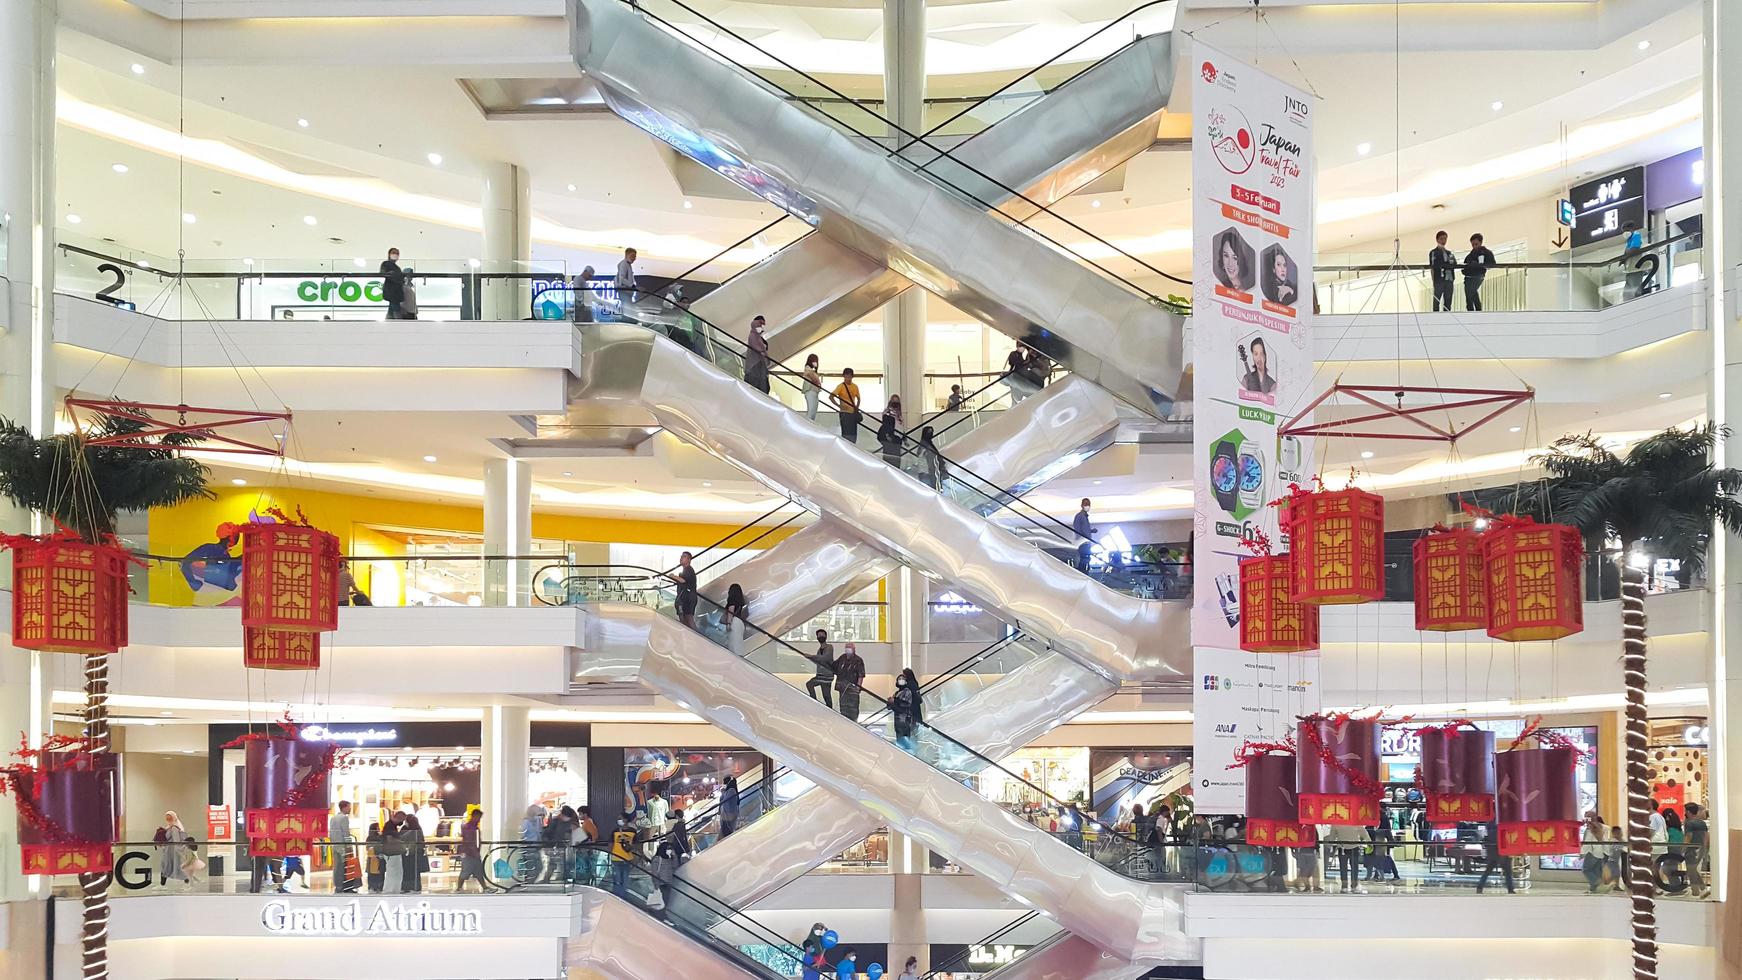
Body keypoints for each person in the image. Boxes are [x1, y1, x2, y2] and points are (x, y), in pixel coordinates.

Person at [153, 811, 195, 888]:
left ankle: (187, 881)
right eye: (167, 818)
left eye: (170, 818)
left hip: (173, 852)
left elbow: (176, 841)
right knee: (166, 867)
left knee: (170, 866)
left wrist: (179, 851)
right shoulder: (168, 827)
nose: (168, 820)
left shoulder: (174, 828)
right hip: (168, 851)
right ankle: (163, 884)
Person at [1322, 822, 1366, 892]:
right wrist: (1369, 842)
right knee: (1354, 867)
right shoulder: (1356, 822)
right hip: (1353, 847)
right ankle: (1353, 885)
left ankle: (1344, 886)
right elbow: (1364, 833)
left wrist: (1330, 845)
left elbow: (1332, 836)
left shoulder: (1336, 823)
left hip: (1342, 847)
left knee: (1343, 868)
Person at [1475, 817, 1514, 893]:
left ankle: (1480, 887)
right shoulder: (1502, 822)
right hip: (1501, 851)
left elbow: (1486, 837)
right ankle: (1510, 889)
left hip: (1491, 851)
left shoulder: (1489, 823)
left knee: (1488, 871)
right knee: (1508, 871)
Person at [891, 667, 924, 754]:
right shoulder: (912, 685)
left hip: (907, 717)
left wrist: (895, 701)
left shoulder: (908, 688)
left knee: (906, 737)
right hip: (906, 716)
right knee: (907, 737)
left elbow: (906, 702)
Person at [1462, 233, 1497, 311]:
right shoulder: (1470, 255)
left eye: (1476, 244)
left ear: (1481, 243)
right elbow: (1464, 267)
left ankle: (1474, 309)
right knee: (1471, 292)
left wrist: (1480, 265)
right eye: (1473, 244)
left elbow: (1492, 264)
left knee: (1470, 293)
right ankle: (1476, 309)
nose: (1474, 246)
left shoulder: (1486, 253)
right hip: (1468, 277)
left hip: (1478, 275)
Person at [833, 641, 867, 722]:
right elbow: (834, 666)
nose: (848, 649)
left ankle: (854, 722)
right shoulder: (842, 658)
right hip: (842, 688)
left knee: (852, 709)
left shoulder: (858, 660)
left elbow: (861, 675)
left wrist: (857, 687)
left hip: (852, 689)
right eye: (847, 647)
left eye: (850, 647)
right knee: (843, 708)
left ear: (854, 649)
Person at [457, 808, 487, 892]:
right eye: (478, 817)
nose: (479, 819)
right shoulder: (469, 827)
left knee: (478, 871)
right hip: (468, 853)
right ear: (474, 816)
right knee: (466, 870)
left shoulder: (473, 827)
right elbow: (469, 841)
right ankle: (458, 888)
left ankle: (485, 887)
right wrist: (474, 852)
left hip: (473, 852)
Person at [1428, 230, 1459, 312]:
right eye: (1441, 238)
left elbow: (1454, 264)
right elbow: (1433, 266)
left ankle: (1447, 316)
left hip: (1449, 279)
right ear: (1437, 240)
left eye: (1445, 238)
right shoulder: (1434, 252)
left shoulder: (1449, 253)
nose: (1443, 241)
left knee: (1448, 300)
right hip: (1439, 279)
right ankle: (1435, 316)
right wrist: (1433, 280)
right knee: (1437, 300)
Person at [330, 800, 356, 892]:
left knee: (337, 867)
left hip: (335, 845)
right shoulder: (344, 818)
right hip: (343, 845)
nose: (350, 809)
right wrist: (349, 846)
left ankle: (338, 885)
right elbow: (346, 833)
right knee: (345, 866)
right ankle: (346, 886)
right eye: (349, 807)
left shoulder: (333, 818)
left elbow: (332, 833)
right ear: (344, 807)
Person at [1684, 802, 1710, 897]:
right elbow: (1706, 836)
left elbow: (1688, 837)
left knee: (1690, 869)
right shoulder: (1701, 823)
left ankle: (1695, 890)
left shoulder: (1689, 823)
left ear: (1688, 811)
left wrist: (1683, 847)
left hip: (1691, 848)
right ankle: (1702, 886)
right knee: (1693, 868)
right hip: (1700, 848)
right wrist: (1705, 846)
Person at [832, 368, 864, 443]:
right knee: (846, 434)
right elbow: (831, 396)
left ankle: (852, 447)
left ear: (852, 376)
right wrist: (839, 406)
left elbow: (858, 398)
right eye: (846, 376)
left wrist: (857, 407)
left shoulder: (855, 386)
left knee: (853, 434)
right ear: (844, 376)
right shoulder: (841, 386)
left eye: (849, 376)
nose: (848, 378)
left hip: (853, 413)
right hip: (844, 413)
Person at [806, 629, 836, 707]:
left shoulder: (829, 647)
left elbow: (825, 658)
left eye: (822, 635)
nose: (820, 637)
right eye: (819, 636)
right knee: (826, 695)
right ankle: (829, 710)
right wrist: (810, 658)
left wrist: (811, 656)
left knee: (810, 684)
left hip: (827, 675)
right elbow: (819, 661)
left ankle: (815, 703)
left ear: (825, 636)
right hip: (821, 675)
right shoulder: (819, 650)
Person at [1581, 813, 1609, 893]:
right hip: (1601, 852)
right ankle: (1594, 889)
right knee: (1596, 871)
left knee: (1586, 870)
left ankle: (1597, 883)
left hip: (1592, 852)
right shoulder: (1602, 827)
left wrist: (1582, 852)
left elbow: (1587, 841)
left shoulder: (1590, 828)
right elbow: (1605, 839)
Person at [610, 816, 637, 898]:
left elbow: (636, 845)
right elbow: (610, 843)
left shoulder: (633, 831)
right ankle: (617, 897)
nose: (619, 820)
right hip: (616, 858)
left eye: (621, 818)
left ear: (626, 820)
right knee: (617, 879)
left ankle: (623, 897)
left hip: (627, 858)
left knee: (625, 879)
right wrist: (611, 853)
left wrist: (636, 856)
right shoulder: (615, 831)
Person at [519, 803, 546, 884]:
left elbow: (539, 832)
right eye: (538, 814)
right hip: (528, 848)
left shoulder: (537, 821)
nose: (540, 816)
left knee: (539, 867)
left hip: (536, 847)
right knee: (531, 868)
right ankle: (528, 884)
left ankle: (530, 883)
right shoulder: (526, 822)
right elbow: (522, 835)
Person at [671, 551, 699, 628]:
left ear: (689, 560)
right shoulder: (684, 571)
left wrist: (673, 576)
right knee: (683, 617)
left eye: (684, 557)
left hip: (689, 597)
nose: (681, 558)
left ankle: (695, 636)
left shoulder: (689, 570)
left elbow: (683, 580)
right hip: (684, 597)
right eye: (681, 556)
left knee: (688, 617)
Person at [744, 315, 772, 393]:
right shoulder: (753, 336)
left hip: (759, 363)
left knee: (762, 384)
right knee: (759, 384)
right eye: (760, 324)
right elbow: (757, 348)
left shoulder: (758, 337)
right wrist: (764, 353)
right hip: (755, 364)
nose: (762, 327)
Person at [400, 811, 425, 893]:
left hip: (410, 854)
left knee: (409, 871)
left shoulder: (410, 829)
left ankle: (410, 887)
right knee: (412, 871)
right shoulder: (418, 829)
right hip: (412, 853)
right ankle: (412, 887)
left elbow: (401, 838)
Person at [876, 395, 904, 468]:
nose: (895, 403)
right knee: (889, 459)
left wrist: (904, 438)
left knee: (896, 459)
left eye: (897, 401)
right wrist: (888, 436)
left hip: (897, 438)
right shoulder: (887, 412)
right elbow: (886, 425)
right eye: (894, 401)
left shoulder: (899, 413)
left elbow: (900, 426)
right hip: (890, 438)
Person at [379, 821, 405, 894]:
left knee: (394, 872)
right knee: (393, 872)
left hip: (392, 854)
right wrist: (400, 841)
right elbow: (389, 839)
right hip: (392, 853)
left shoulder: (390, 828)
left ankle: (393, 889)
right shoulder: (390, 831)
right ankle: (391, 889)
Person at [724, 582, 750, 656]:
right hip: (740, 623)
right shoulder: (741, 602)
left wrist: (728, 623)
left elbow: (730, 611)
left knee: (733, 645)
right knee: (738, 643)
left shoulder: (731, 600)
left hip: (734, 622)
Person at [380, 247, 406, 319]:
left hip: (396, 291)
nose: (395, 255)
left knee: (392, 309)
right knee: (396, 309)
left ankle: (389, 322)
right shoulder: (386, 264)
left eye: (397, 253)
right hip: (391, 291)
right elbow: (384, 273)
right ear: (389, 254)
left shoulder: (397, 267)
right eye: (394, 253)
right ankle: (398, 324)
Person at [1073, 498, 1096, 568]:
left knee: (1087, 559)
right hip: (1083, 542)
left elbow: (1085, 529)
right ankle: (1083, 573)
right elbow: (1078, 529)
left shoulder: (1085, 517)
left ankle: (1085, 571)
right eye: (1086, 504)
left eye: (1088, 504)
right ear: (1082, 505)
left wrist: (1091, 531)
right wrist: (1084, 537)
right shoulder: (1079, 516)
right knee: (1084, 560)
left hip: (1086, 541)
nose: (1087, 506)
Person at [364, 821, 386, 892]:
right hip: (377, 858)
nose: (379, 829)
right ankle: (377, 887)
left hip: (374, 859)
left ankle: (373, 887)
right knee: (378, 873)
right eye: (378, 827)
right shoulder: (377, 837)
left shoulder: (370, 838)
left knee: (373, 874)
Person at [802, 354, 824, 420]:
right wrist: (818, 384)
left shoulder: (813, 370)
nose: (816, 362)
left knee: (813, 412)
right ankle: (807, 425)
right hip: (810, 391)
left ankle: (811, 424)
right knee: (811, 411)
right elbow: (814, 379)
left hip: (815, 392)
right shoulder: (808, 368)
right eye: (814, 360)